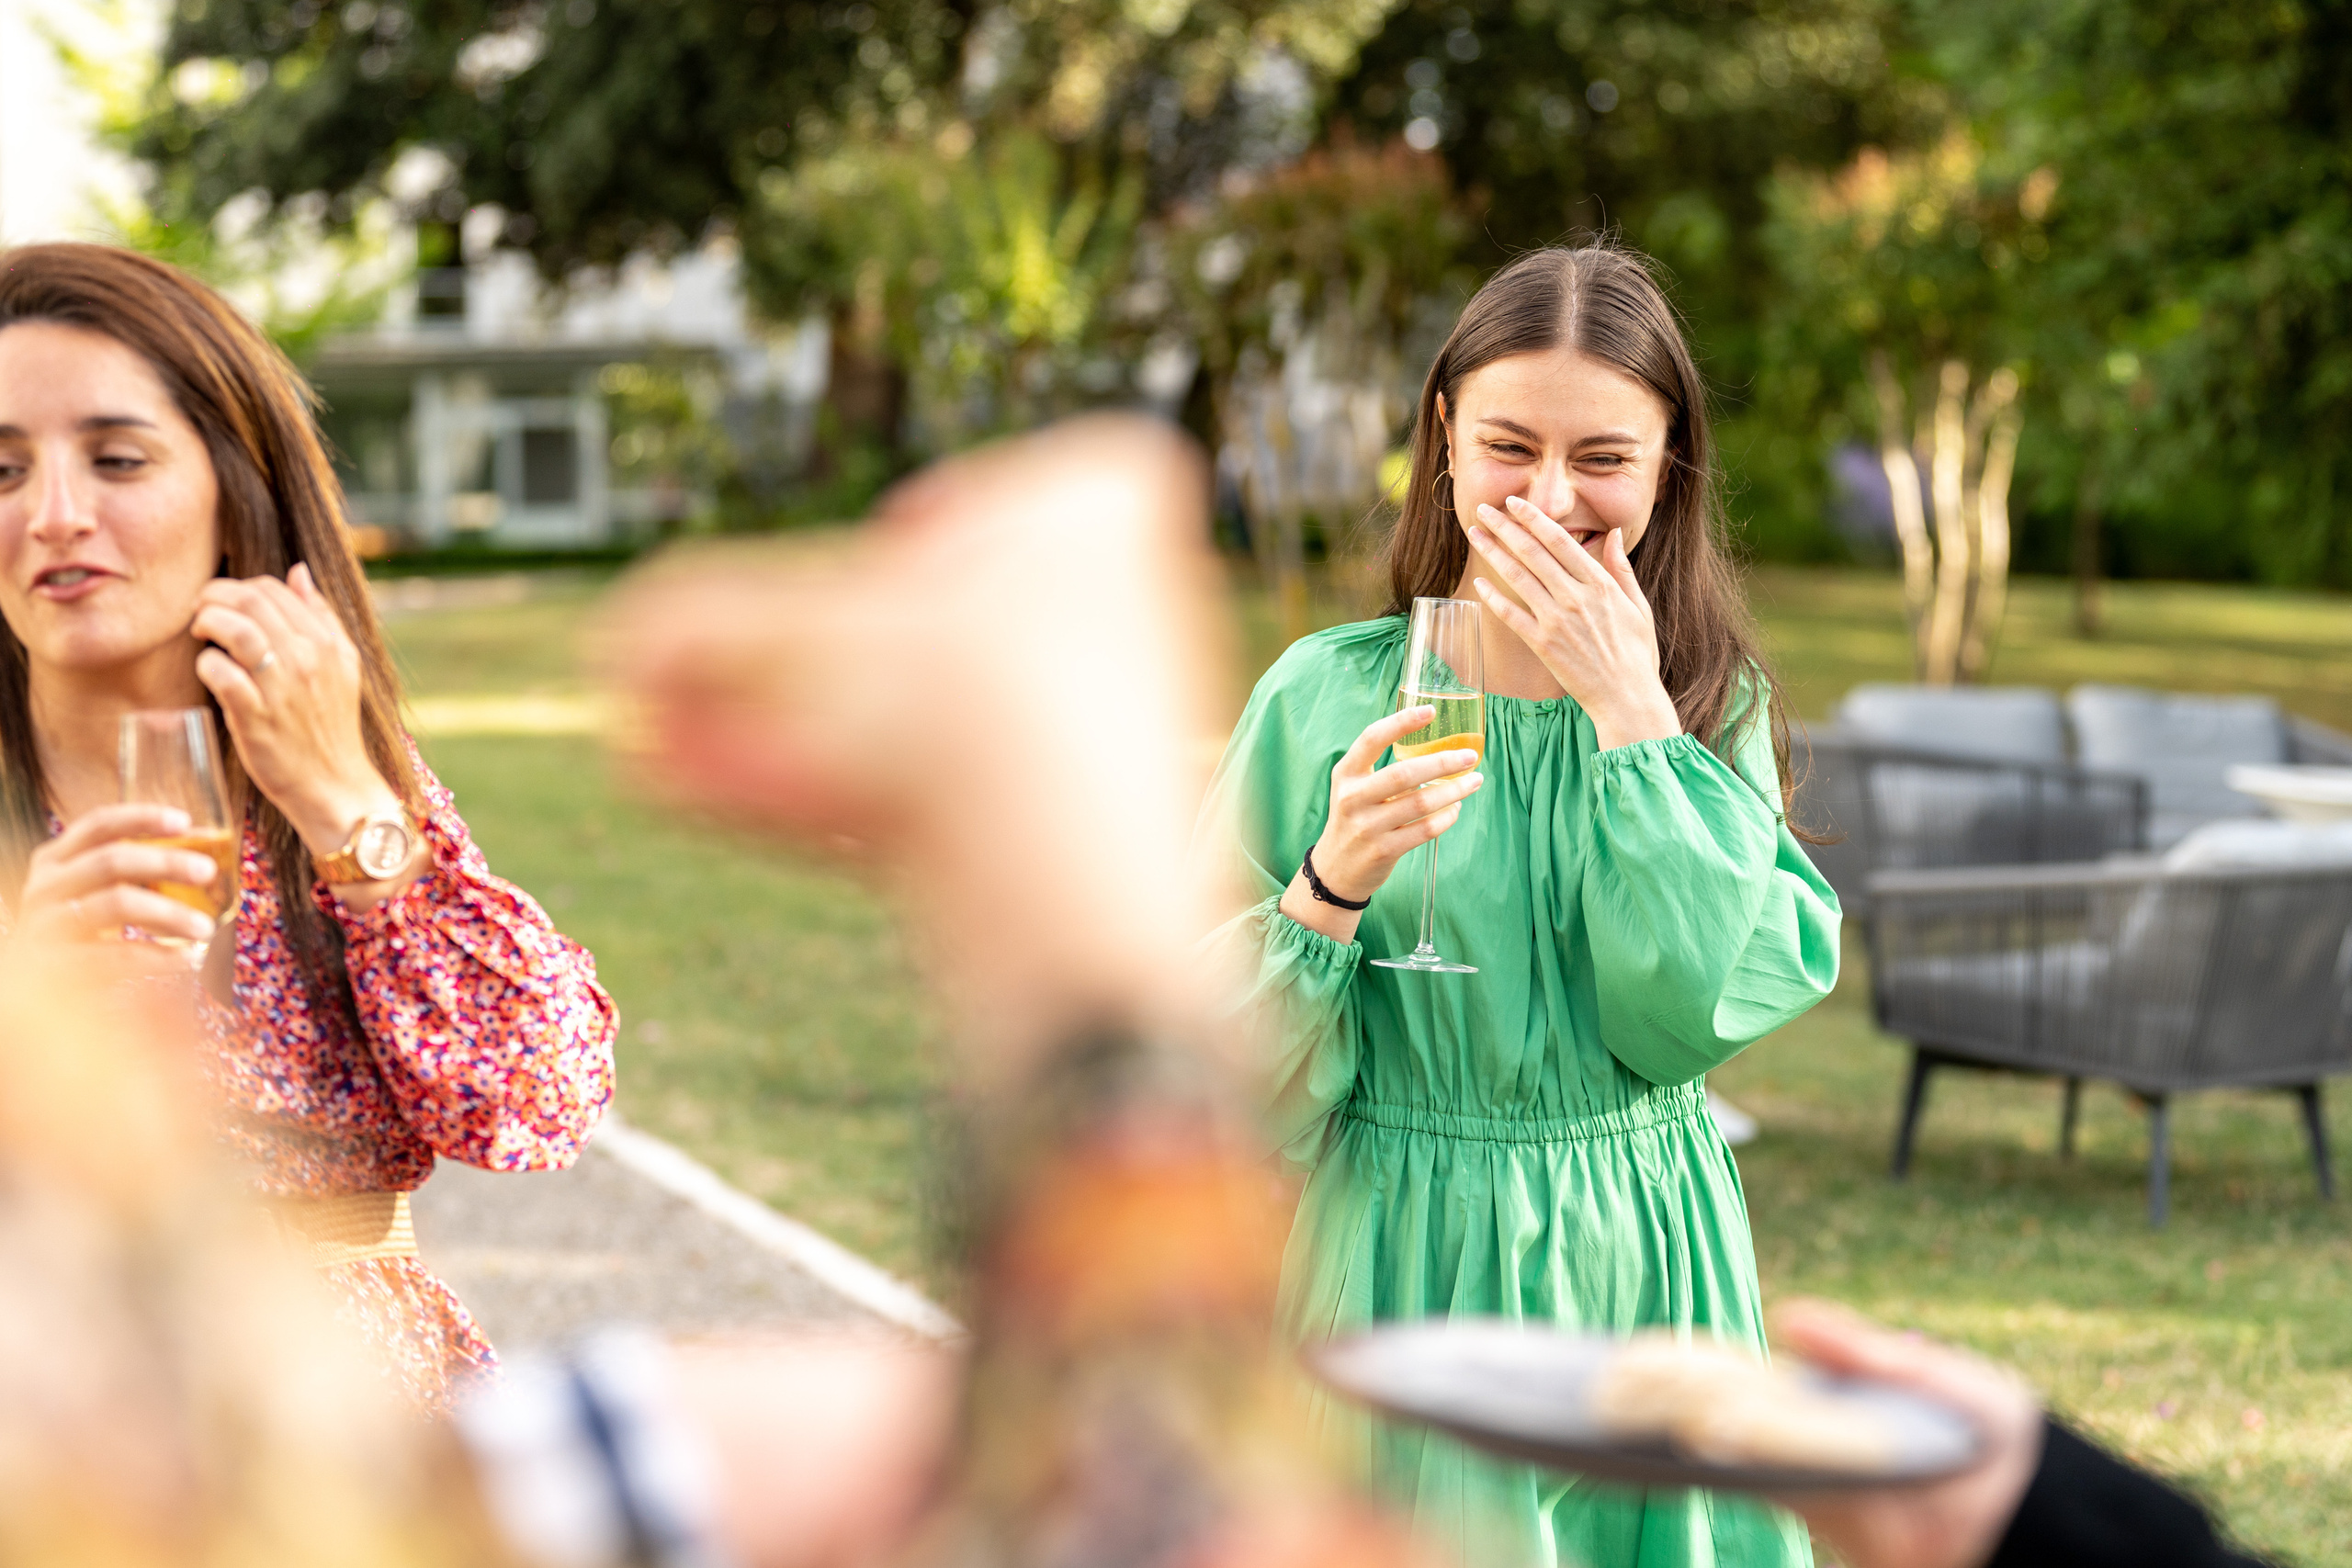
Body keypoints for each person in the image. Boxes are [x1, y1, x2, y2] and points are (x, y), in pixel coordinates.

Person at [1201, 242, 1841, 1565]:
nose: (1550, 499)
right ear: (1443, 439)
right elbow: (1206, 1082)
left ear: (1668, 467)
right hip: (1393, 1251)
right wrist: (1329, 886)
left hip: (1643, 1260)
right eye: (1509, 446)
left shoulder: (1707, 709)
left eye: (1603, 457)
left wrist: (1631, 716)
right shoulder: (1322, 697)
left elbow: (1684, 1021)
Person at [0, 243, 616, 1411]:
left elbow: (535, 1100)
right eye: (1, 471)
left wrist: (346, 803)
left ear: (234, 493)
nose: (55, 516)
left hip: (349, 1423)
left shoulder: (328, 777)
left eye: (117, 459)